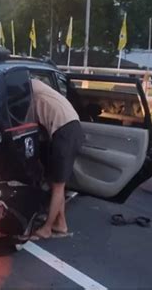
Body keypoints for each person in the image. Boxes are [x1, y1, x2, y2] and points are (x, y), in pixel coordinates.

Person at [31, 78, 84, 240]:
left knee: (58, 185)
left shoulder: (28, 88)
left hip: (65, 131)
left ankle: (47, 229)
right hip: (68, 129)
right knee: (56, 182)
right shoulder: (36, 85)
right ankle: (61, 224)